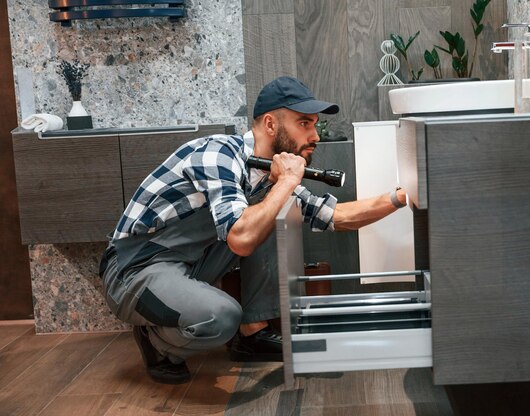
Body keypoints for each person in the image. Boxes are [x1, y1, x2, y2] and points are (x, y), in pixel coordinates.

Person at [99, 76, 408, 384]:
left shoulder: (267, 174)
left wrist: (399, 197)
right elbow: (242, 239)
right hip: (135, 268)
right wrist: (287, 182)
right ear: (271, 125)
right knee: (221, 317)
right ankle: (157, 343)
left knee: (277, 209)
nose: (315, 135)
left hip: (189, 265)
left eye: (314, 124)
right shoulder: (217, 154)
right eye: (304, 123)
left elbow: (335, 216)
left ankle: (253, 333)